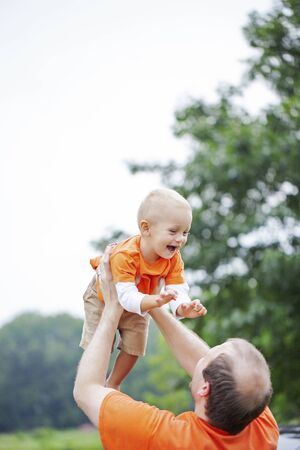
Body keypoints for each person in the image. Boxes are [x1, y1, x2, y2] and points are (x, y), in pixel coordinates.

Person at [73, 245, 279, 450]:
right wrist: (149, 303)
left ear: (204, 389)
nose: (203, 354)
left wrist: (112, 307)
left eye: (208, 354)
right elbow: (221, 375)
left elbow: (86, 390)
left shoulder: (160, 436)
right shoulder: (262, 429)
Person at [80, 188, 206, 390]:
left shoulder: (173, 258)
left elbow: (177, 289)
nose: (180, 239)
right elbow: (126, 296)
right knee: (101, 341)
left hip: (144, 299)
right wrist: (155, 300)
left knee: (135, 345)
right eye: (173, 231)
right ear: (146, 228)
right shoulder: (126, 255)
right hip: (105, 297)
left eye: (185, 232)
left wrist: (183, 307)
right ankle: (93, 383)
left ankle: (113, 384)